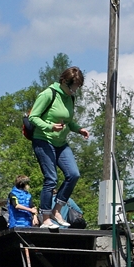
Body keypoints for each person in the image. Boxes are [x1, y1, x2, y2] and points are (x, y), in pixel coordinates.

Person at [28, 66, 89, 229]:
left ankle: (57, 210)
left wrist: (78, 129)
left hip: (61, 143)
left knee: (73, 174)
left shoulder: (70, 98)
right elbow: (33, 117)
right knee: (51, 179)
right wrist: (49, 127)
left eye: (77, 87)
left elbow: (68, 121)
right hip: (43, 140)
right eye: (73, 86)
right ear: (63, 82)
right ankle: (45, 216)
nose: (75, 90)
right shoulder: (48, 94)